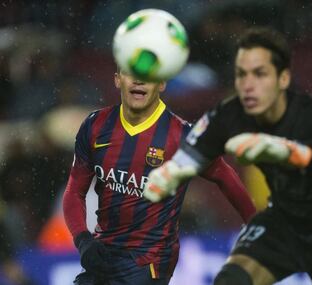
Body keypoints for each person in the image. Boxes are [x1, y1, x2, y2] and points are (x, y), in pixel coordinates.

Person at [144, 27, 312, 285]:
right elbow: (192, 156)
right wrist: (171, 174)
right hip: (285, 220)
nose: (248, 85)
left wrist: (294, 154)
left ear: (283, 79)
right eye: (242, 75)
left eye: (260, 74)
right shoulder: (230, 115)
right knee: (232, 280)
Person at [62, 68, 256, 285]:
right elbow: (74, 191)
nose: (139, 81)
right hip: (104, 254)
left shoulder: (181, 135)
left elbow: (224, 176)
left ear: (161, 83)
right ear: (117, 79)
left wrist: (256, 227)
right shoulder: (96, 125)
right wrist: (83, 239)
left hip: (149, 261)